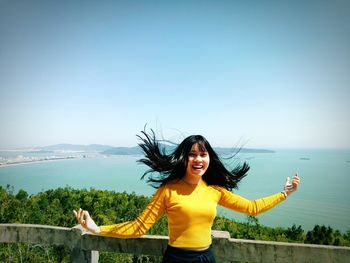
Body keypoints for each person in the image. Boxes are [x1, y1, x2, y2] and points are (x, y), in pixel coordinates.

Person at [74, 129, 300, 263]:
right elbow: (139, 227)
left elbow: (252, 208)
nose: (198, 159)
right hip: (177, 259)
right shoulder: (168, 190)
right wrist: (98, 229)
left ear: (209, 159)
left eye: (203, 154)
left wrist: (284, 193)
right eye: (192, 155)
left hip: (206, 258)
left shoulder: (215, 190)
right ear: (184, 159)